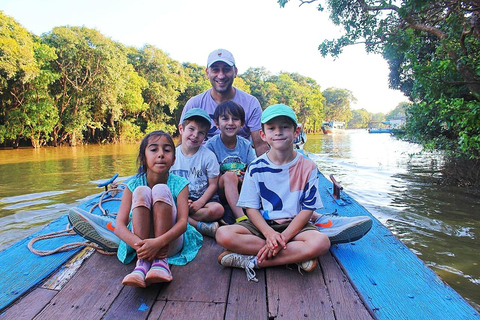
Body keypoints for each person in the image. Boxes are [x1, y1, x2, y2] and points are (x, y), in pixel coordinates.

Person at [215, 104, 331, 282]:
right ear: (263, 135)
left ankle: (254, 261)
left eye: (285, 127)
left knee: (321, 243)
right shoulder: (255, 168)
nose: (278, 132)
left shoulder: (308, 166)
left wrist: (283, 237)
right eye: (271, 128)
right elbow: (251, 208)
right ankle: (296, 255)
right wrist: (269, 234)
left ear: (296, 131)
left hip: (295, 226)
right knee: (222, 235)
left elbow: (307, 209)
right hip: (263, 225)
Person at [115, 131, 193, 288]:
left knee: (161, 190)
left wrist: (158, 243)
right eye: (153, 149)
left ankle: (160, 263)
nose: (161, 155)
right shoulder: (132, 186)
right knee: (141, 191)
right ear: (143, 158)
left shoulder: (180, 184)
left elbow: (183, 223)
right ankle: (142, 264)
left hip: (167, 245)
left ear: (174, 159)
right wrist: (142, 246)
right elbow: (119, 226)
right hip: (141, 247)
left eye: (167, 150)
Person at [180, 48, 269, 156]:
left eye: (226, 69)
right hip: (201, 168)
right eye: (215, 70)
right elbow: (183, 144)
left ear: (235, 72)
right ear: (207, 73)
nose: (221, 75)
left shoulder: (251, 103)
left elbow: (260, 145)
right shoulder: (194, 104)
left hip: (240, 168)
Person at [170, 108, 224, 238]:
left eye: (201, 133)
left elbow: (213, 185)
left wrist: (200, 202)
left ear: (205, 137)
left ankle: (181, 218)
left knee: (218, 210)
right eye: (191, 129)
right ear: (181, 129)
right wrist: (181, 202)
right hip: (178, 200)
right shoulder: (171, 155)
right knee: (163, 207)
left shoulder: (208, 156)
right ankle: (198, 225)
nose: (195, 135)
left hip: (203, 200)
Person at [205, 101, 256, 223]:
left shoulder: (246, 145)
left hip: (241, 189)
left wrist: (247, 177)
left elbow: (252, 169)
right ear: (216, 123)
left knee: (252, 178)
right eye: (225, 119)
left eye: (235, 119)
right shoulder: (211, 145)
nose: (230, 123)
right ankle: (241, 218)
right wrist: (232, 177)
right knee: (229, 176)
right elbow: (209, 177)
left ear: (242, 123)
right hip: (220, 190)